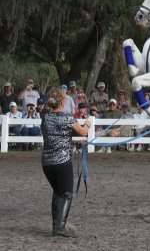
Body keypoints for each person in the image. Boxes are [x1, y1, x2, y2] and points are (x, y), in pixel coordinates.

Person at [41, 87, 91, 237]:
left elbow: (55, 137)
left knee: (58, 193)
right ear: (63, 102)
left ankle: (56, 225)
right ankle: (60, 228)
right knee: (66, 194)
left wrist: (72, 142)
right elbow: (82, 131)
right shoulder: (67, 117)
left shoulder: (45, 118)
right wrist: (88, 123)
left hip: (47, 163)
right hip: (62, 162)